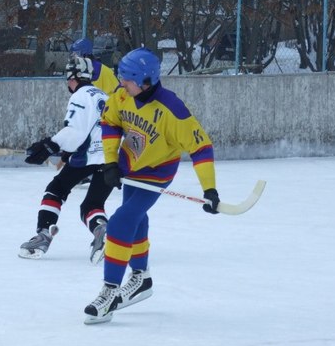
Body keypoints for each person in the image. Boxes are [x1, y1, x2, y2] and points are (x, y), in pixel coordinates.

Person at [83, 47, 221, 324]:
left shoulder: (172, 109)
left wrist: (210, 189)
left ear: (145, 81)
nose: (122, 84)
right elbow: (110, 123)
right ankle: (141, 277)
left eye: (128, 80)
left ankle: (110, 291)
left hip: (156, 172)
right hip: (129, 165)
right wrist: (110, 162)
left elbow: (201, 147)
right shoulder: (123, 95)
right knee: (136, 217)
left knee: (122, 220)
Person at [20, 56, 113, 262]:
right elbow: (94, 129)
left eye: (67, 77)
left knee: (56, 189)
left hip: (89, 156)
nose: (67, 82)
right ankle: (102, 231)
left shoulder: (80, 96)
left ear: (74, 77)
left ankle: (43, 235)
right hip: (111, 158)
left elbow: (76, 131)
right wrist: (67, 151)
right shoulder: (104, 95)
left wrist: (49, 144)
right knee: (92, 204)